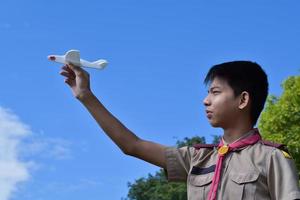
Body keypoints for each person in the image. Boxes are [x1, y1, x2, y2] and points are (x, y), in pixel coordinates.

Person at [59, 61, 300, 200]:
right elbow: (131, 145)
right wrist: (85, 96)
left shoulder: (272, 158)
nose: (206, 101)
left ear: (243, 99)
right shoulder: (197, 158)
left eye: (215, 92)